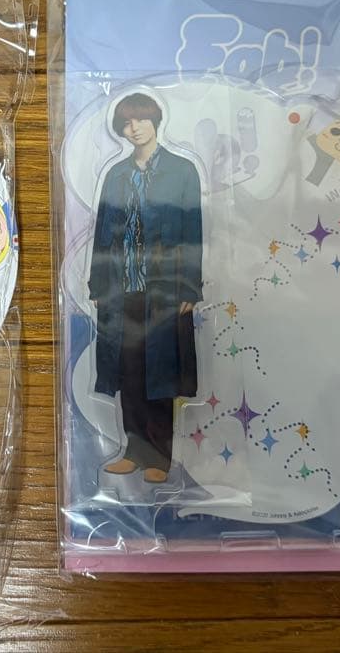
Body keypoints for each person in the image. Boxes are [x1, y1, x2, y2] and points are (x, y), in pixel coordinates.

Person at [88, 93, 203, 483]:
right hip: (122, 289)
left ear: (155, 120)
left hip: (165, 289)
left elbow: (193, 233)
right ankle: (133, 451)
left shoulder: (182, 171)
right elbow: (102, 233)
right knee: (129, 372)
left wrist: (189, 287)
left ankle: (158, 458)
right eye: (126, 122)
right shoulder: (116, 174)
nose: (133, 128)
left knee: (160, 374)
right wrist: (98, 285)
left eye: (139, 119)